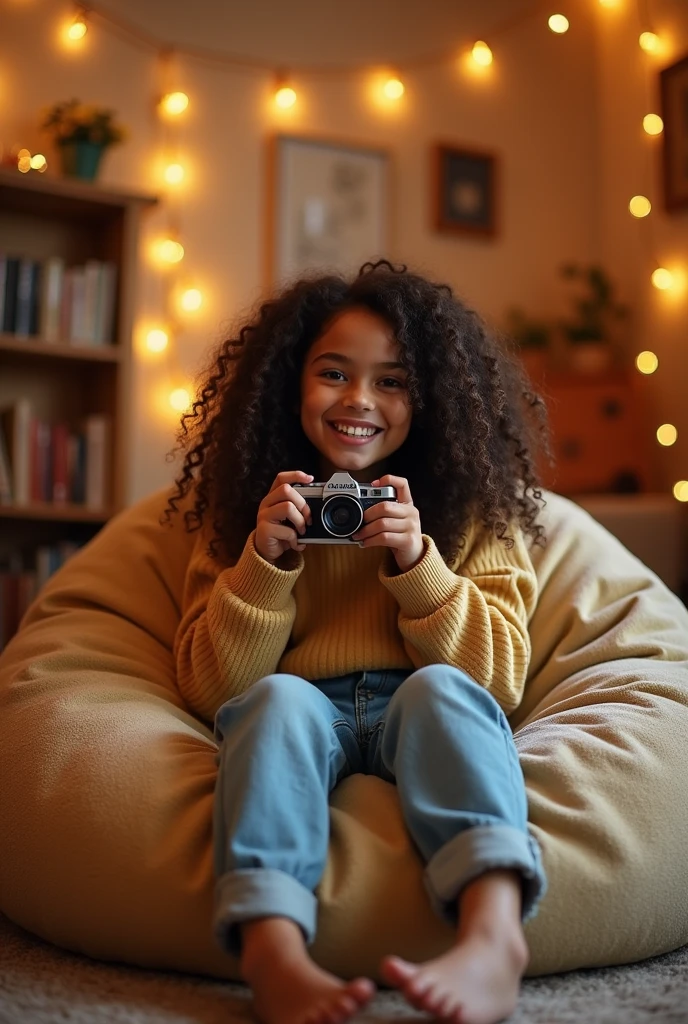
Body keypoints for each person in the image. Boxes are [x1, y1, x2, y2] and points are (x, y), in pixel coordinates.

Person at [164, 260, 550, 1024]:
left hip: (422, 697)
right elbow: (213, 692)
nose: (359, 401)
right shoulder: (248, 506)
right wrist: (262, 564)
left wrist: (418, 564)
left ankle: (495, 936)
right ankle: (274, 952)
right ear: (289, 385)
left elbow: (497, 683)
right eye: (332, 373)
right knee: (274, 699)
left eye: (393, 381)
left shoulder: (474, 506)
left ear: (431, 397)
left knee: (445, 691)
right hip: (303, 704)